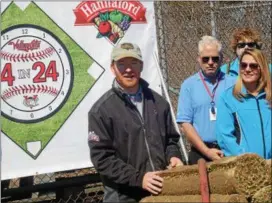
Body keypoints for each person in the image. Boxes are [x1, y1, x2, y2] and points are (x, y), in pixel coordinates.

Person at [88, 42, 183, 202]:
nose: (128, 69)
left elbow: (171, 141)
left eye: (134, 63)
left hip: (160, 189)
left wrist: (173, 156)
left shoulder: (159, 103)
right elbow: (102, 159)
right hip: (123, 195)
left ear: (141, 66)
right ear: (113, 68)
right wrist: (139, 179)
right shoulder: (101, 111)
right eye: (122, 64)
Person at [176, 36, 236, 165]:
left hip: (229, 150)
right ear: (198, 59)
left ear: (221, 59)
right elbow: (186, 124)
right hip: (200, 152)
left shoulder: (233, 83)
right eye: (205, 59)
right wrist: (207, 151)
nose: (210, 62)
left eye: (215, 58)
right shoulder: (188, 85)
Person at [216, 48, 271, 159]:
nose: (247, 69)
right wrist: (245, 159)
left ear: (262, 68)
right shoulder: (228, 98)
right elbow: (224, 136)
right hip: (245, 166)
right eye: (243, 65)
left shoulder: (269, 97)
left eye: (253, 66)